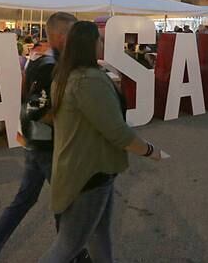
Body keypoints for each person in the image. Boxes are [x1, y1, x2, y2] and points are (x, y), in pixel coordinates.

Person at [40, 21, 167, 262]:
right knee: (68, 246)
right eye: (99, 39)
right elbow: (116, 131)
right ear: (90, 45)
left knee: (98, 236)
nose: (103, 43)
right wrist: (151, 151)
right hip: (89, 172)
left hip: (81, 168)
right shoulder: (88, 80)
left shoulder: (66, 75)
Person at [0, 12, 78, 263]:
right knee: (66, 203)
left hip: (36, 143)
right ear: (62, 36)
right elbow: (36, 110)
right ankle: (69, 254)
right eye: (74, 34)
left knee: (26, 199)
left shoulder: (41, 63)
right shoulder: (51, 68)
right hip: (46, 145)